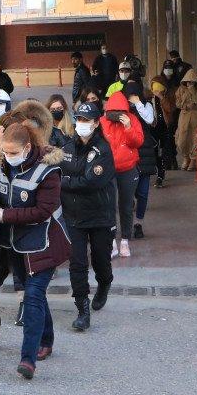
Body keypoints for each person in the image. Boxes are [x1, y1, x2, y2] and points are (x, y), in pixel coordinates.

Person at [0, 122, 71, 380]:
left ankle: (27, 359)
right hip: (15, 244)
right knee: (36, 296)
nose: (8, 157)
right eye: (4, 152)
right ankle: (47, 340)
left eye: (12, 152)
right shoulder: (3, 162)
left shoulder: (48, 171)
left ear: (27, 147)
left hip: (45, 242)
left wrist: (3, 214)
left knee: (31, 296)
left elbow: (42, 211)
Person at [60, 101, 116, 331]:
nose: (82, 124)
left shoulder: (103, 150)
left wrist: (66, 183)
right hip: (74, 216)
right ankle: (82, 308)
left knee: (101, 260)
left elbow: (92, 182)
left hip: (100, 215)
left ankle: (104, 283)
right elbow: (59, 172)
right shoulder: (68, 148)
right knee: (77, 263)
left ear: (96, 122)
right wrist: (67, 182)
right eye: (79, 119)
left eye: (87, 120)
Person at [100, 90, 145, 259]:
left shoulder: (132, 120)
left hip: (128, 169)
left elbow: (138, 142)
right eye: (114, 112)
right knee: (108, 205)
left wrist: (128, 127)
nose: (117, 115)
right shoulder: (102, 122)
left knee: (126, 206)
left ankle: (125, 240)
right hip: (107, 170)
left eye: (121, 112)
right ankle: (111, 241)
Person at [124, 81, 159, 238]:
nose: (131, 97)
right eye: (129, 94)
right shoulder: (122, 109)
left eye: (134, 94)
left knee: (143, 193)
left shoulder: (146, 105)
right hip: (127, 156)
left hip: (144, 155)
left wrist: (138, 103)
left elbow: (150, 120)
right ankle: (127, 224)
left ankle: (139, 223)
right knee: (127, 194)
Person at [175, 69, 197, 170]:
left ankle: (193, 160)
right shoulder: (180, 89)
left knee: (195, 138)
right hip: (184, 117)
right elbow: (177, 103)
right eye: (188, 81)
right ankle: (186, 157)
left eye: (192, 81)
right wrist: (186, 106)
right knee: (182, 139)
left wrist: (192, 90)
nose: (189, 83)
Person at [149, 75, 178, 185]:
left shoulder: (169, 96)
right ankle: (160, 171)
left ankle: (163, 171)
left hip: (166, 127)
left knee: (166, 150)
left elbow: (170, 109)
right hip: (154, 127)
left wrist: (162, 97)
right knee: (155, 151)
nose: (156, 90)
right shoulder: (149, 97)